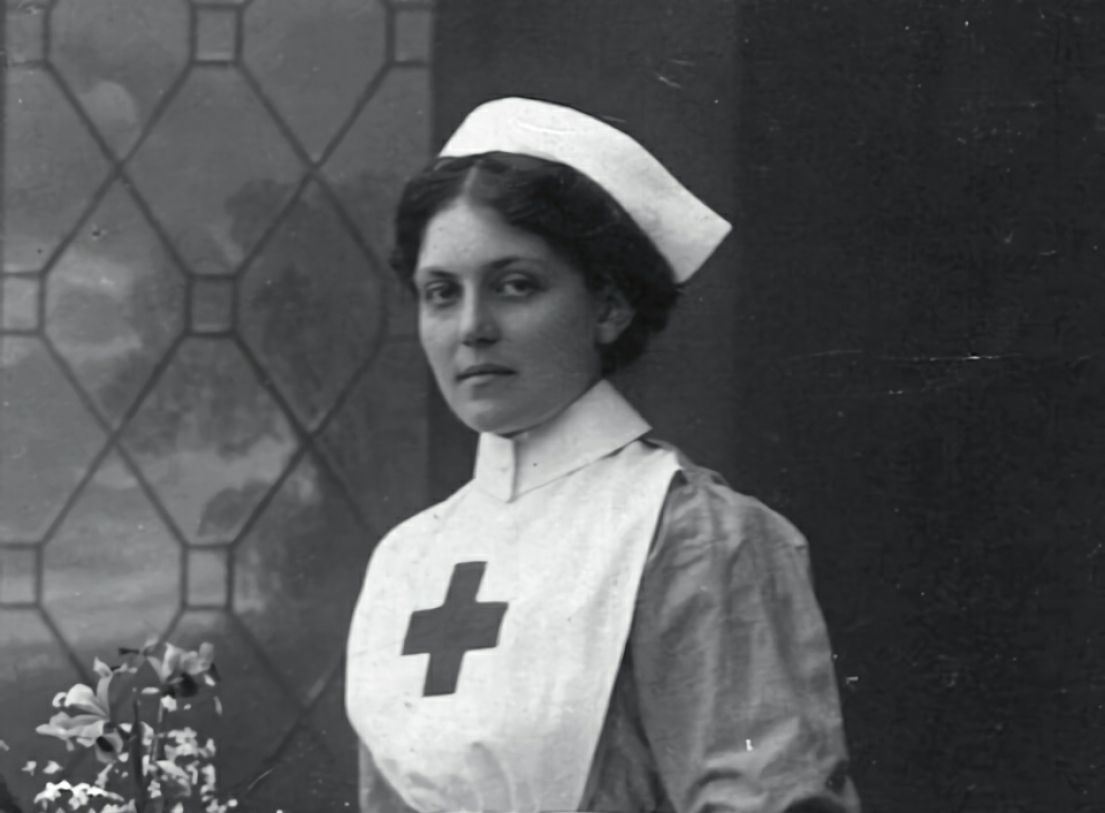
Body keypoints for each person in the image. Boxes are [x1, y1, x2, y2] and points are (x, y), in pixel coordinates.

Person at [346, 97, 860, 813]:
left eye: (515, 284)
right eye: (440, 292)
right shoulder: (406, 561)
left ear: (608, 305)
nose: (472, 328)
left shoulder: (687, 535)